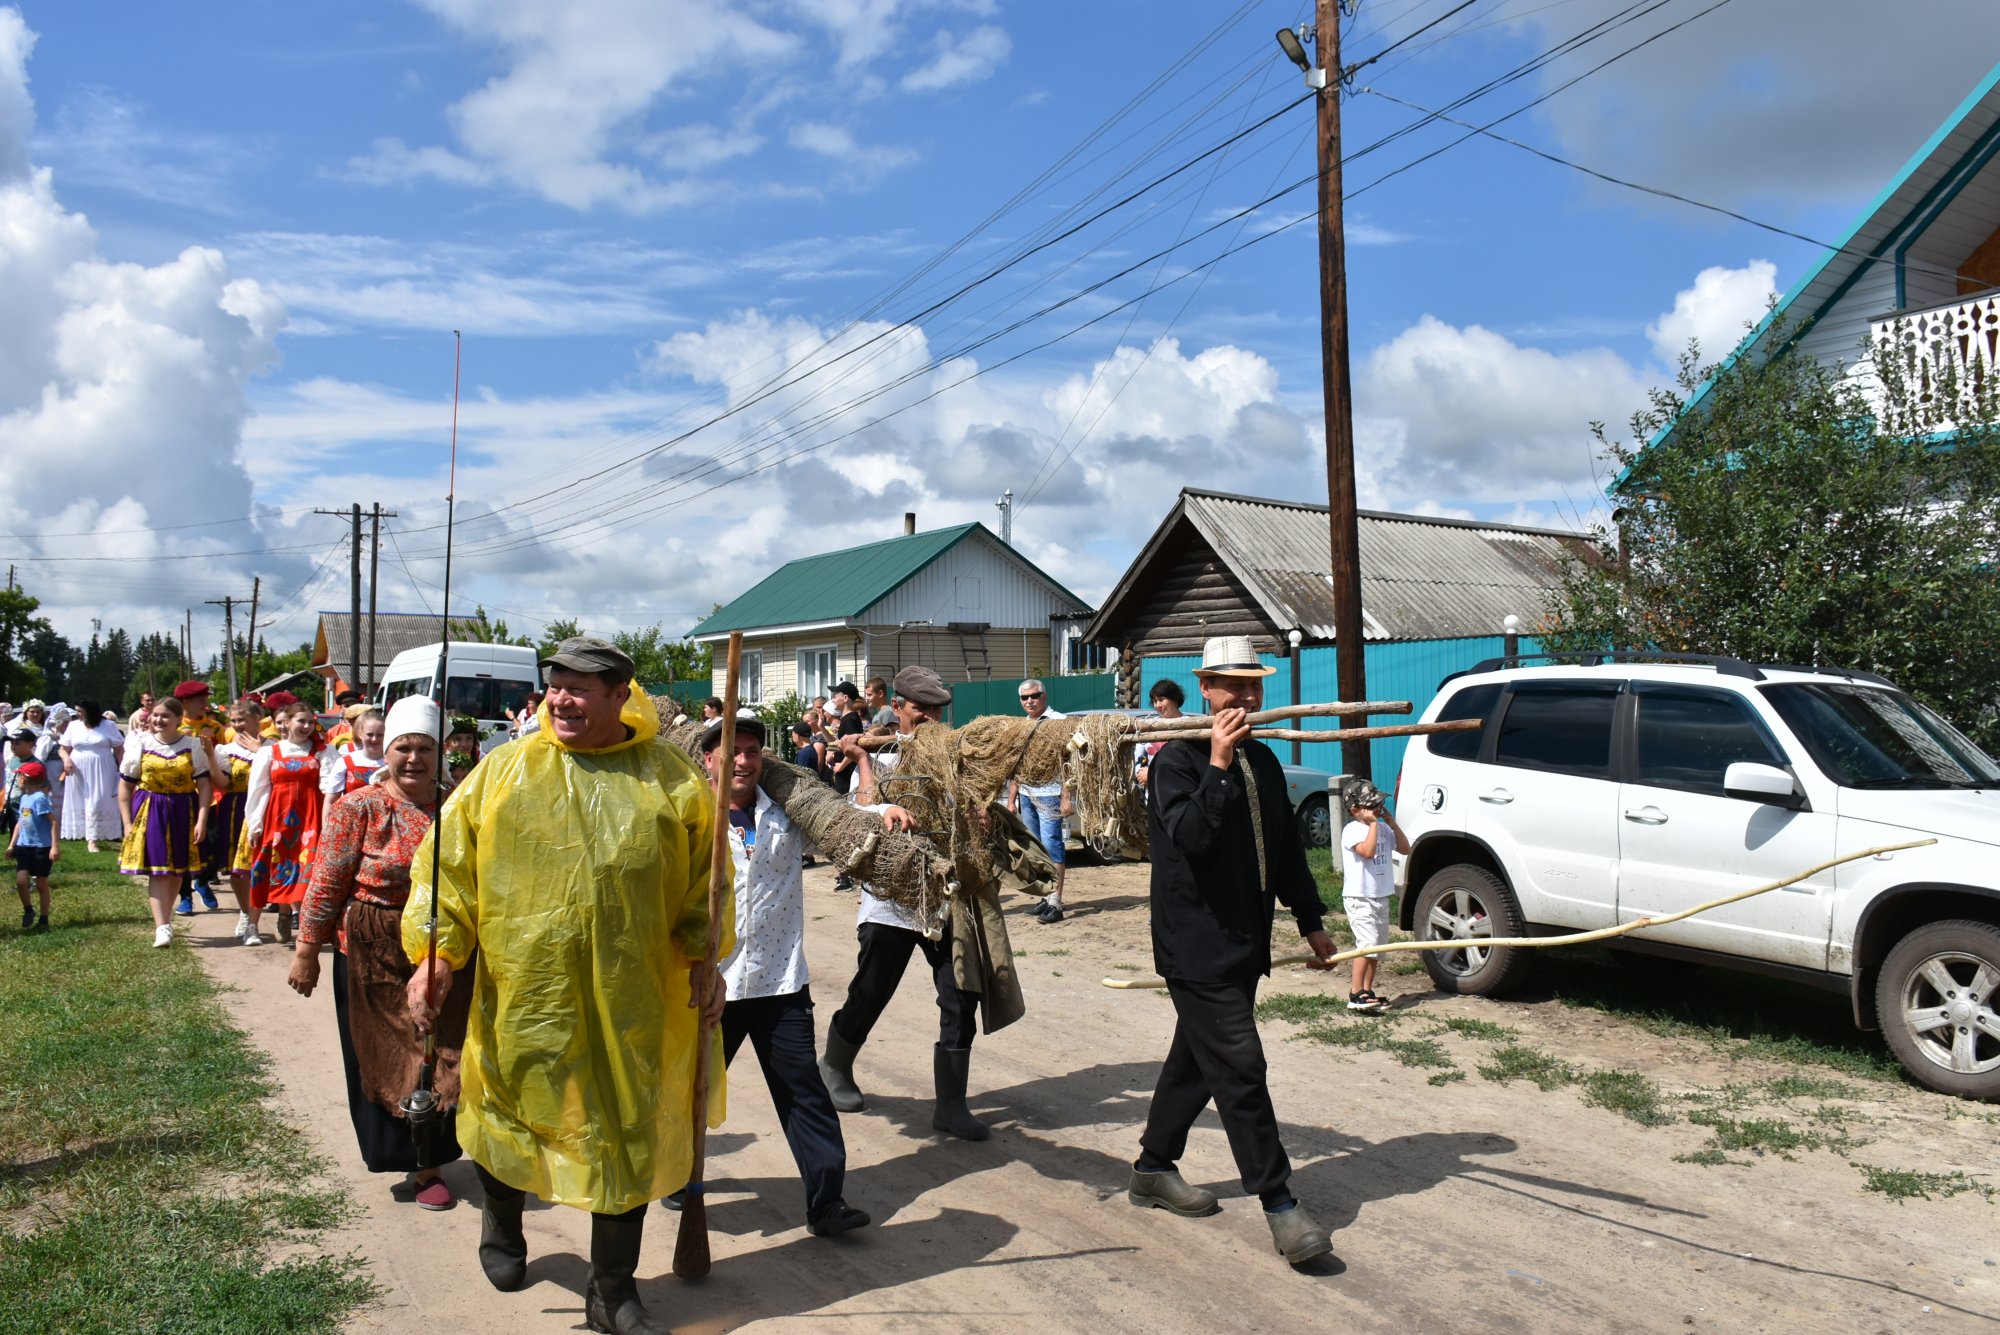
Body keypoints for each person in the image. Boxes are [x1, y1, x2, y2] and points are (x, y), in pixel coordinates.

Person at [404, 636, 727, 1335]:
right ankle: (502, 1221)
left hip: (635, 1001)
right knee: (510, 1111)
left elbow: (707, 885)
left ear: (621, 696)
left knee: (626, 1133)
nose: (561, 697)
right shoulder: (502, 773)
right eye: (556, 684)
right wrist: (436, 953)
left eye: (581, 687)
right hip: (527, 993)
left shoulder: (672, 781)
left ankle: (611, 1290)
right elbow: (446, 871)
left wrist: (707, 954)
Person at [1128, 635, 1338, 1268]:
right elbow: (1191, 836)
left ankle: (1152, 1169)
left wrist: (1309, 920)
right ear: (1206, 689)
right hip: (1194, 945)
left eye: (1255, 685)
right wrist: (1217, 763)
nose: (1246, 697)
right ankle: (1279, 1203)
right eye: (1233, 685)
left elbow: (1288, 852)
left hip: (1245, 941)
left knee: (1197, 1062)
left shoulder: (1267, 762)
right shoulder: (1176, 762)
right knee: (1241, 1065)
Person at [684, 710, 878, 1237]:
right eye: (731, 751)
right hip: (708, 986)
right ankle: (677, 1173)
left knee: (803, 1092)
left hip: (780, 980)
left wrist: (888, 810)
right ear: (709, 760)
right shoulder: (687, 816)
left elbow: (849, 825)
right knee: (687, 1091)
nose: (742, 761)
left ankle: (826, 1202)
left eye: (750, 751)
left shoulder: (788, 813)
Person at [821, 666, 1019, 1142]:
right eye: (920, 708)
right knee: (872, 990)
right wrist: (862, 762)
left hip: (946, 899)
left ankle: (951, 1105)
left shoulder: (953, 758)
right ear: (898, 705)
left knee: (960, 995)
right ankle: (834, 1065)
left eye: (937, 710)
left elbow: (970, 811)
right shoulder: (880, 752)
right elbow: (862, 813)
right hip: (891, 902)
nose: (930, 717)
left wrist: (982, 817)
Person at [292, 695, 472, 1211]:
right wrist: (307, 950)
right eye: (403, 748)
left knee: (441, 1049)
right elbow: (326, 882)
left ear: (441, 753)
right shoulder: (358, 808)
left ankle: (434, 1153)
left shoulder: (459, 804)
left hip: (443, 946)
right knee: (389, 1051)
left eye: (425, 749)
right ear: (384, 752)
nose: (413, 759)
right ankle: (416, 1165)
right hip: (372, 946)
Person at [117, 697, 213, 949]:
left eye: (165, 716)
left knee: (175, 872)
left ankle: (166, 922)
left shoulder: (192, 746)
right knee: (159, 871)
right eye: (155, 715)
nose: (158, 720)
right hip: (151, 809)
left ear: (178, 720)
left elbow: (204, 786)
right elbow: (125, 786)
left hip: (183, 810)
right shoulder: (141, 743)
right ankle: (162, 927)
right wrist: (127, 823)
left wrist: (202, 819)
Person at [242, 699, 331, 945]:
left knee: (306, 871)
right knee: (264, 869)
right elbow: (258, 790)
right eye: (301, 721)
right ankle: (252, 925)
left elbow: (331, 787)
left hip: (309, 821)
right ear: (287, 723)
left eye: (311, 722)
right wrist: (255, 825)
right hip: (276, 819)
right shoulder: (269, 752)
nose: (306, 726)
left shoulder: (322, 751)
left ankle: (297, 922)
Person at [1339, 781, 1407, 1014]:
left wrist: (1390, 823)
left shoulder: (1384, 828)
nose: (1378, 808)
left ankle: (1368, 991)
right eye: (1372, 805)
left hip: (1380, 895)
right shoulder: (1352, 830)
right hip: (1360, 897)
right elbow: (1368, 853)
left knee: (1377, 948)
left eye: (1380, 804)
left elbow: (1405, 848)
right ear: (1355, 809)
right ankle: (1355, 991)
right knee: (1366, 945)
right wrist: (1373, 826)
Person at [1006, 679, 1071, 923]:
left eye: (1034, 695)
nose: (1030, 701)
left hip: (1051, 793)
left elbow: (1069, 763)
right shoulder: (1022, 726)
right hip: (1028, 794)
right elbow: (1017, 766)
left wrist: (1066, 797)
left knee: (1053, 845)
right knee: (1036, 848)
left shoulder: (1059, 722)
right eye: (1025, 697)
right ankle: (1045, 895)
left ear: (1044, 696)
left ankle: (1056, 901)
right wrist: (1012, 800)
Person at [173, 680, 231, 915]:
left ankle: (204, 880)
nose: (205, 704)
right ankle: (185, 896)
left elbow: (226, 756)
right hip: (185, 795)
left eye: (206, 699)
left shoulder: (215, 728)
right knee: (185, 846)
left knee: (214, 843)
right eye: (200, 700)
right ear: (185, 702)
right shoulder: (175, 728)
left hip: (214, 794)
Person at [213, 700, 268, 945]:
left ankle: (287, 912)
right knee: (239, 867)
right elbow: (223, 784)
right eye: (233, 721)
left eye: (241, 720)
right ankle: (245, 913)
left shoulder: (273, 746)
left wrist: (262, 751)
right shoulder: (225, 750)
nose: (237, 725)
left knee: (265, 864)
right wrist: (209, 756)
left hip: (265, 806)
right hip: (236, 807)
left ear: (258, 718)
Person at [57, 699, 123, 853]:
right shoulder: (74, 726)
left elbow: (120, 750)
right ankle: (86, 836)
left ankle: (94, 838)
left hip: (102, 768)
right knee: (82, 801)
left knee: (97, 800)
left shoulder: (108, 726)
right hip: (77, 769)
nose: (77, 714)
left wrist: (124, 769)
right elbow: (63, 749)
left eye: (80, 711)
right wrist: (66, 759)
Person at [8, 760, 56, 930]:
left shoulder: (40, 799)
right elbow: (20, 823)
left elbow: (53, 822)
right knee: (21, 881)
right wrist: (12, 845)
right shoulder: (24, 799)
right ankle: (28, 909)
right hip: (24, 846)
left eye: (19, 776)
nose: (18, 779)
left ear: (25, 779)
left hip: (41, 847)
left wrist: (54, 846)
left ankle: (44, 918)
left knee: (41, 883)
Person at [324, 706, 387, 823]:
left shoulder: (392, 762)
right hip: (351, 822)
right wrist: (326, 830)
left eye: (380, 735)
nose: (374, 739)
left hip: (384, 823)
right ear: (360, 734)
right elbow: (331, 800)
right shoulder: (345, 762)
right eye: (369, 734)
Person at [1134, 679, 1185, 789]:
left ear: (1175, 699)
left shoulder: (1190, 725)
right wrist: (1141, 772)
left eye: (1161, 700)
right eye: (1154, 701)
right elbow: (1138, 758)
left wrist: (1153, 774)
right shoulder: (1149, 725)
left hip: (1179, 792)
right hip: (1153, 795)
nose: (1157, 705)